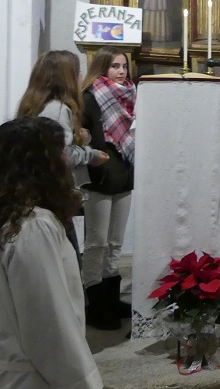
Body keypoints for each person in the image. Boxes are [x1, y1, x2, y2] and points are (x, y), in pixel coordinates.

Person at [0, 117, 103, 389]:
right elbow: (48, 327)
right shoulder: (32, 227)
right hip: (17, 379)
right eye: (61, 155)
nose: (66, 163)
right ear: (44, 166)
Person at [16, 50, 110, 263]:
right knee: (68, 264)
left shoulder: (39, 105)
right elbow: (62, 154)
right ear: (65, 79)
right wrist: (91, 155)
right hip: (51, 195)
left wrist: (81, 139)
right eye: (77, 73)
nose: (80, 78)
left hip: (40, 195)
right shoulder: (58, 109)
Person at [81, 46, 136, 330]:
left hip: (124, 177)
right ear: (103, 68)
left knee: (116, 242)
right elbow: (81, 139)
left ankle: (111, 299)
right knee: (96, 243)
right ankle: (95, 303)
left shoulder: (132, 97)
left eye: (124, 66)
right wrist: (95, 161)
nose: (121, 71)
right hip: (99, 179)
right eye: (115, 66)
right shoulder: (90, 98)